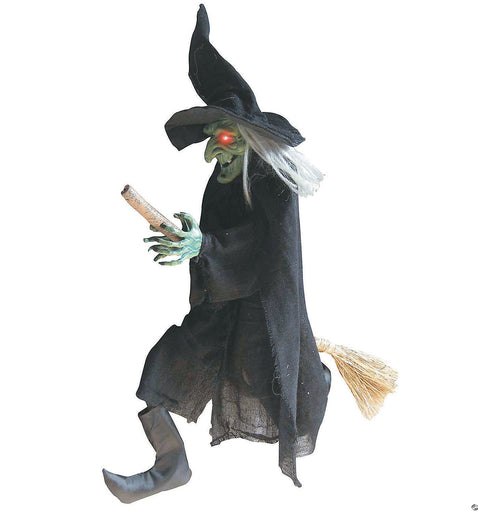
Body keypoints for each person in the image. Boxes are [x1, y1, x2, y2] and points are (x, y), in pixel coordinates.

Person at [103, 5, 330, 503]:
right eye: (211, 138)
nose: (211, 151)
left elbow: (271, 252)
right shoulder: (222, 178)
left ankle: (316, 375)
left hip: (258, 311)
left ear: (247, 139)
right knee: (164, 365)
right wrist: (193, 240)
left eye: (223, 137)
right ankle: (171, 465)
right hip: (219, 303)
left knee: (274, 382)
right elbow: (215, 238)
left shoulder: (272, 181)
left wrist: (204, 245)